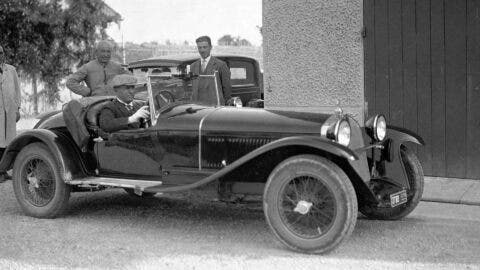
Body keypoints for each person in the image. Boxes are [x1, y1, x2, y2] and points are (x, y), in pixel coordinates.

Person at [191, 36, 231, 105]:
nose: (202, 50)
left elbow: (227, 90)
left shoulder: (221, 65)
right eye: (199, 47)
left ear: (210, 47)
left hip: (214, 109)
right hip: (197, 109)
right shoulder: (193, 66)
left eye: (205, 47)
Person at [0, 45, 21, 182]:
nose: (0, 55)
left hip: (10, 110)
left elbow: (17, 90)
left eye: (1, 52)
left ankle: (4, 170)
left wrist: (18, 108)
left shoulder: (11, 69)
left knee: (9, 141)